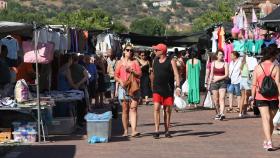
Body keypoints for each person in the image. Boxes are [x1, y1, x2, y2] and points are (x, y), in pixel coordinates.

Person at [251, 47, 280, 151]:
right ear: (272, 56)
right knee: (271, 120)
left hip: (260, 96)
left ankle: (267, 140)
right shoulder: (276, 67)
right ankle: (269, 140)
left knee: (266, 119)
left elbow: (254, 84)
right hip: (273, 97)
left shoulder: (257, 67)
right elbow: (278, 85)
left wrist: (252, 97)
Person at [150, 43, 180, 139]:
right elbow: (153, 74)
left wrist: (178, 86)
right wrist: (151, 85)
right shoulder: (155, 60)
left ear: (162, 51)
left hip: (168, 89)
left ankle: (167, 130)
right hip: (157, 89)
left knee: (167, 110)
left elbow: (176, 74)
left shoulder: (171, 61)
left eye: (156, 50)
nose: (154, 51)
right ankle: (157, 130)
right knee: (156, 108)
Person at [115, 44, 142, 137]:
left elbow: (139, 74)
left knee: (133, 108)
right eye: (127, 50)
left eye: (131, 51)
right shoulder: (119, 62)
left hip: (134, 88)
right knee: (125, 110)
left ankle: (134, 130)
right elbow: (115, 76)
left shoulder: (135, 62)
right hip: (123, 88)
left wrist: (132, 71)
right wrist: (120, 81)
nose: (129, 52)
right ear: (124, 51)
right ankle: (126, 130)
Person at [208, 50, 229, 120]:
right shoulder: (213, 63)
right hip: (214, 83)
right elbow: (211, 74)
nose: (221, 56)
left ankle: (222, 113)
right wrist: (209, 83)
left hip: (222, 82)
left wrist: (219, 78)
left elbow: (226, 75)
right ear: (217, 55)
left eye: (222, 54)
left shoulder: (225, 63)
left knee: (222, 98)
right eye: (220, 54)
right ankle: (217, 113)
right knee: (216, 100)